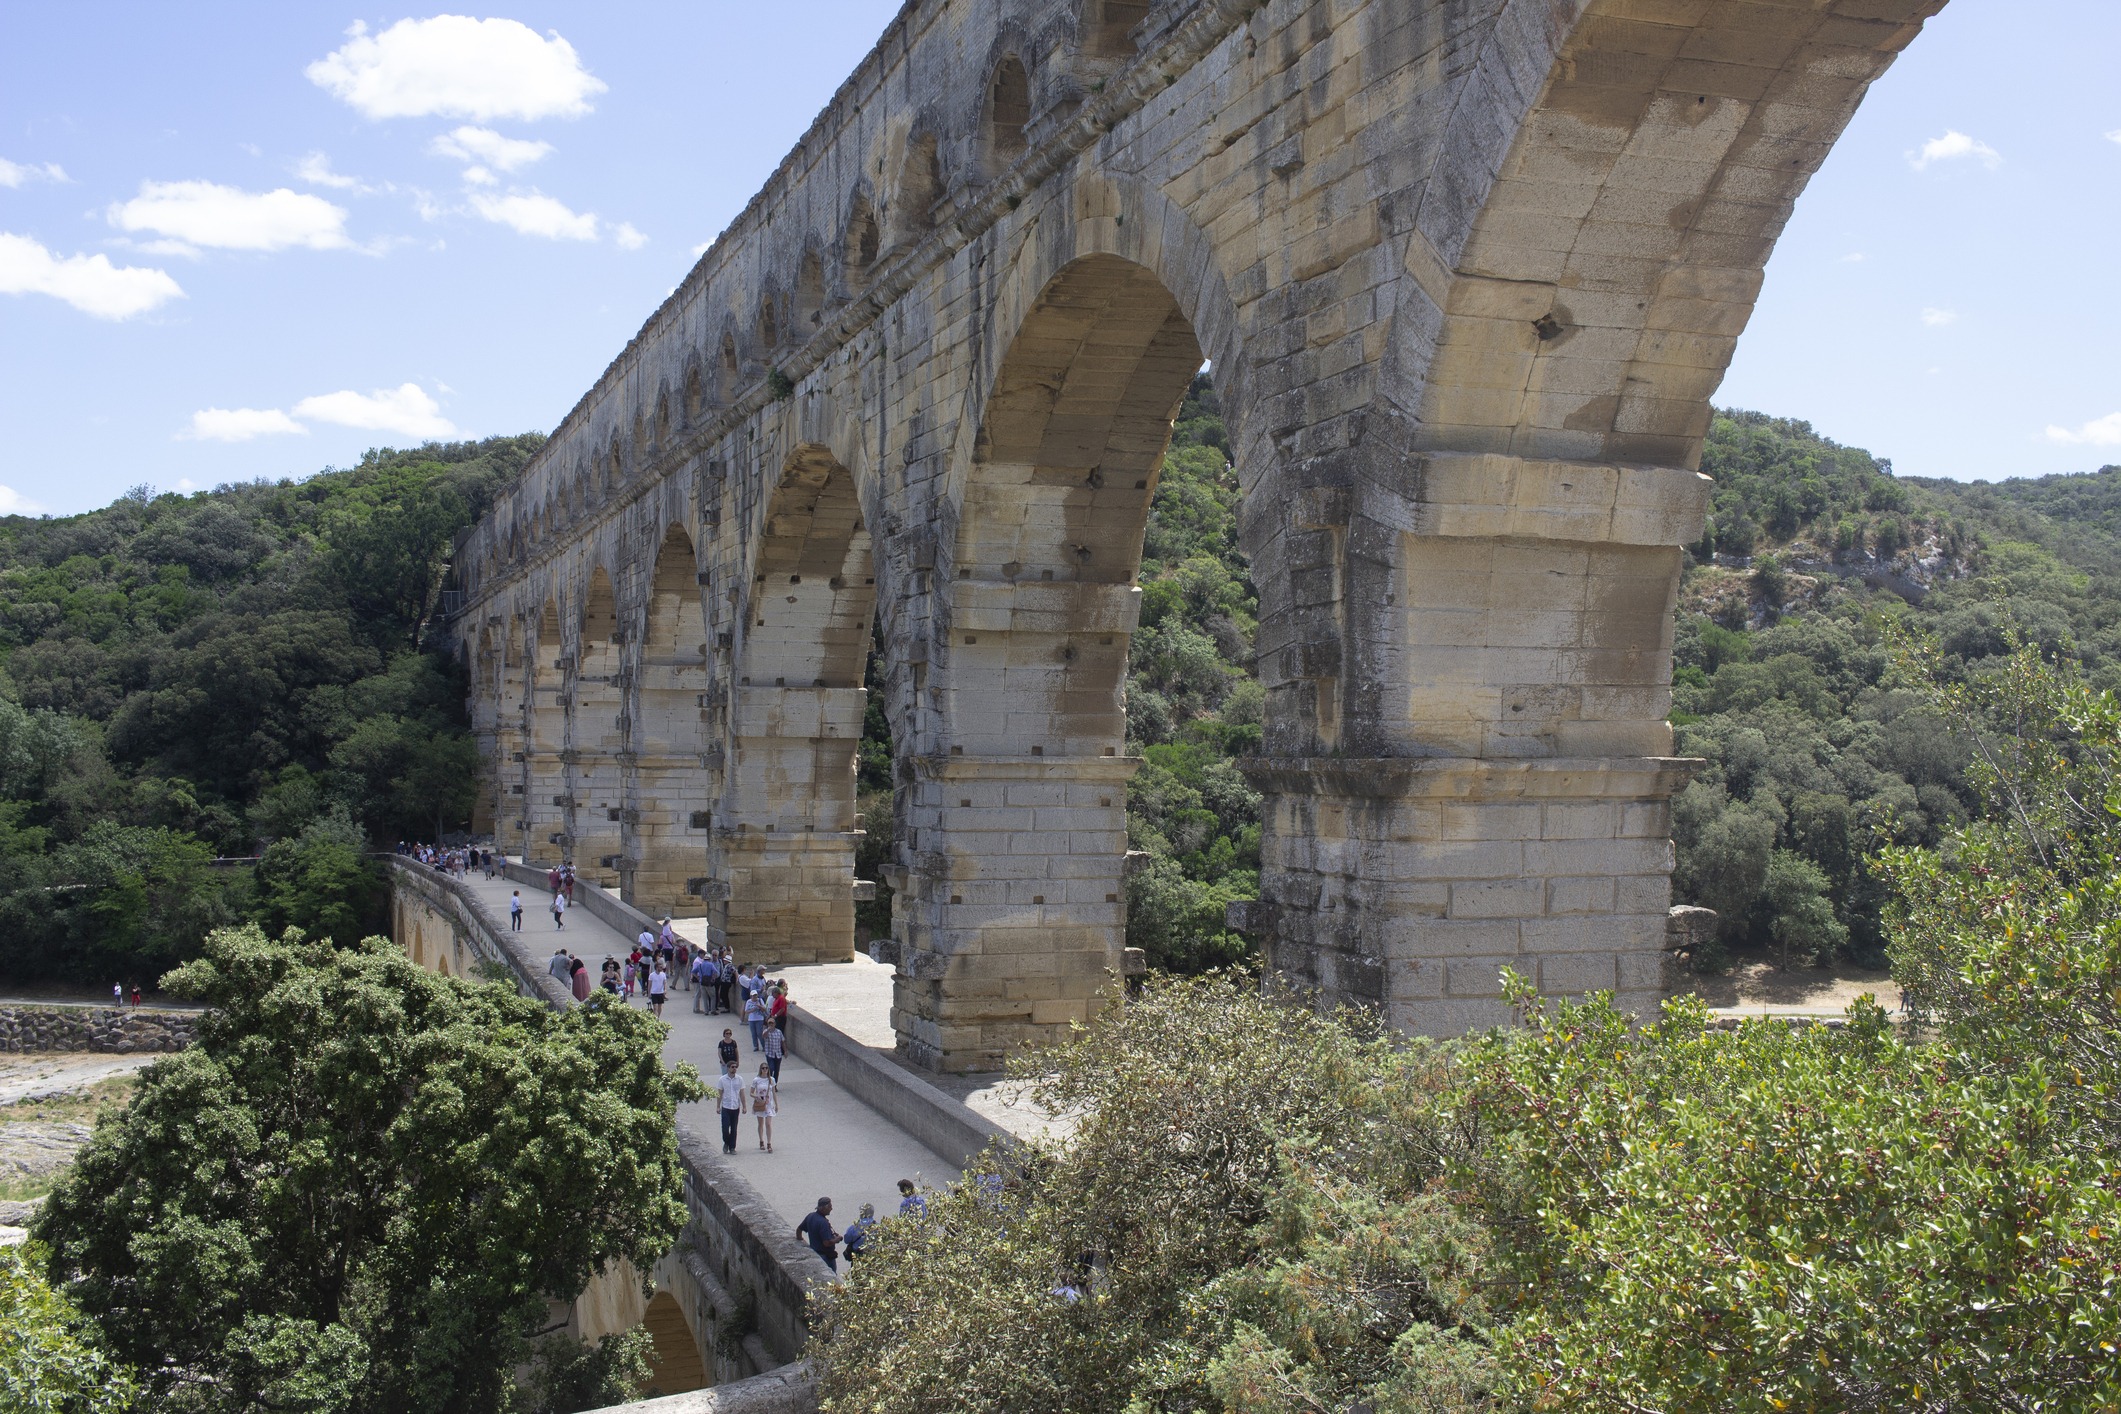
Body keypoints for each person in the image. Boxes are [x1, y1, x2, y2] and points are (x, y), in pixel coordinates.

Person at [796, 1198, 838, 1271]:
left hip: (815, 1253)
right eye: (830, 1207)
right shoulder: (823, 1222)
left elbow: (799, 1230)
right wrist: (837, 1239)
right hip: (825, 1257)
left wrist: (800, 1241)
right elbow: (826, 1243)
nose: (831, 1208)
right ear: (824, 1208)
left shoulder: (811, 1216)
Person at [715, 1060, 746, 1155]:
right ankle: (726, 1142)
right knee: (725, 1127)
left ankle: (732, 1147)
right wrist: (718, 1106)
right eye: (732, 1067)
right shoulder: (722, 1079)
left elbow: (741, 1094)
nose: (734, 1069)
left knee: (734, 1128)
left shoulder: (739, 1079)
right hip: (726, 1106)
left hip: (735, 1107)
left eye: (735, 1067)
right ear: (728, 1068)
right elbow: (719, 1094)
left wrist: (744, 1106)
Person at [751, 1062, 777, 1152]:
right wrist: (756, 1096)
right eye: (763, 1068)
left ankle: (769, 1143)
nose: (765, 1070)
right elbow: (751, 1093)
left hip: (769, 1104)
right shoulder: (756, 1080)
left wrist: (776, 1104)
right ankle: (761, 1141)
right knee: (761, 1123)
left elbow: (773, 1092)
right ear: (760, 1069)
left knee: (768, 1124)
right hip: (760, 1104)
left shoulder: (771, 1080)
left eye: (766, 1068)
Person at [744, 986, 767, 1052]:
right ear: (751, 996)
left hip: (759, 1019)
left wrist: (759, 1006)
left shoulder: (760, 1000)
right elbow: (746, 1011)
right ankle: (755, 1046)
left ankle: (764, 1046)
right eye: (753, 996)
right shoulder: (749, 1002)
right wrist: (752, 1010)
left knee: (760, 1033)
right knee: (753, 1033)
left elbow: (764, 1008)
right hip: (751, 1019)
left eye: (756, 996)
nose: (755, 997)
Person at [761, 1017, 784, 1081]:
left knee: (777, 1070)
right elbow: (763, 1036)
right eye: (769, 1023)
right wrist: (768, 1030)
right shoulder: (766, 1031)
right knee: (771, 1068)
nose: (771, 1025)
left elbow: (782, 1041)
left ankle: (775, 1084)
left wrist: (785, 1051)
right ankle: (770, 1082)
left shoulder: (779, 1032)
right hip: (770, 1054)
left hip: (778, 1054)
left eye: (772, 1023)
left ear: (775, 1024)